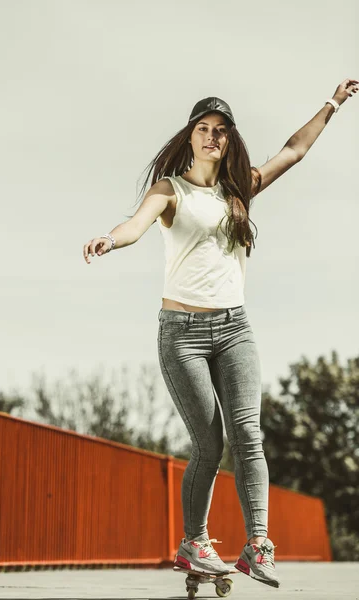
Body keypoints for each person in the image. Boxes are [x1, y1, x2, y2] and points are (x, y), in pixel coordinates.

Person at [83, 79, 358, 589]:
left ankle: (258, 545)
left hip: (235, 329)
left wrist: (333, 103)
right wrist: (109, 239)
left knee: (248, 434)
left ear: (229, 140)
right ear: (190, 136)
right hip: (181, 334)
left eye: (221, 131)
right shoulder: (170, 189)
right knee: (208, 445)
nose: (211, 137)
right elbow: (135, 225)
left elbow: (293, 151)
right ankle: (195, 542)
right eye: (203, 129)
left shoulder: (240, 189)